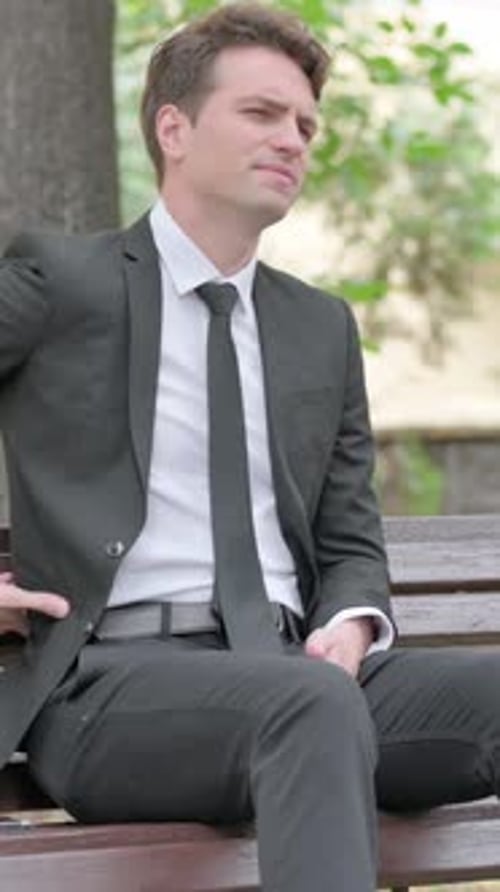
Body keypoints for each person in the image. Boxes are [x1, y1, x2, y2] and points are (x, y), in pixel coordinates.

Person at [1, 5, 499, 890]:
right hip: (113, 693)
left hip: (298, 674)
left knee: (328, 700)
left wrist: (351, 624)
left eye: (306, 124)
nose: (294, 140)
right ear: (174, 128)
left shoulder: (318, 328)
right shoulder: (63, 283)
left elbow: (350, 539)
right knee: (308, 709)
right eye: (262, 114)